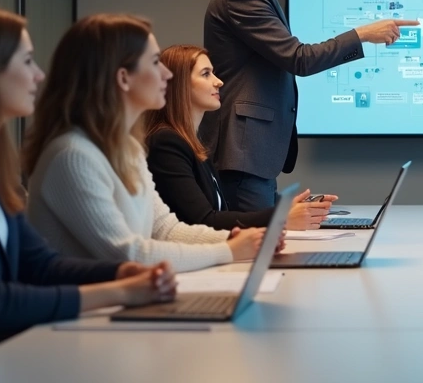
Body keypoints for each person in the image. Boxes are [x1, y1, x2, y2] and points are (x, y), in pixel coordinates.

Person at [0, 7, 174, 383]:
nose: (39, 74)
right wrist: (121, 291)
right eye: (27, 61)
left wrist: (122, 270)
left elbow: (40, 265)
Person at [202, 0, 419, 210]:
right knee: (255, 251)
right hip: (243, 154)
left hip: (252, 155)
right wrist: (362, 35)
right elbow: (298, 59)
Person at [24, 14, 266, 274]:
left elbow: (165, 230)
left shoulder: (127, 148)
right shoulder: (72, 155)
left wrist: (239, 241)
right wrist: (228, 250)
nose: (166, 73)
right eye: (154, 62)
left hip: (119, 304)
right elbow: (129, 254)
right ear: (123, 78)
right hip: (85, 312)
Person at [143, 44, 334, 231]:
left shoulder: (193, 142)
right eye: (206, 74)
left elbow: (217, 213)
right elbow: (204, 220)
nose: (219, 82)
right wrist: (279, 218)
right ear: (179, 84)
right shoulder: (166, 143)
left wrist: (286, 208)